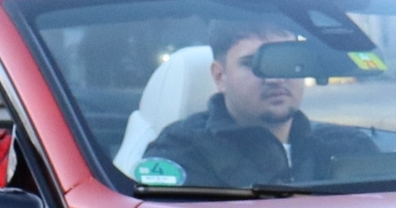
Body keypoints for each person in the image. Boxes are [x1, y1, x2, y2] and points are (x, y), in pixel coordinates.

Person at [140, 19, 379, 189]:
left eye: (287, 60)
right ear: (220, 76)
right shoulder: (180, 151)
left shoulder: (349, 147)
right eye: (253, 63)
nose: (275, 78)